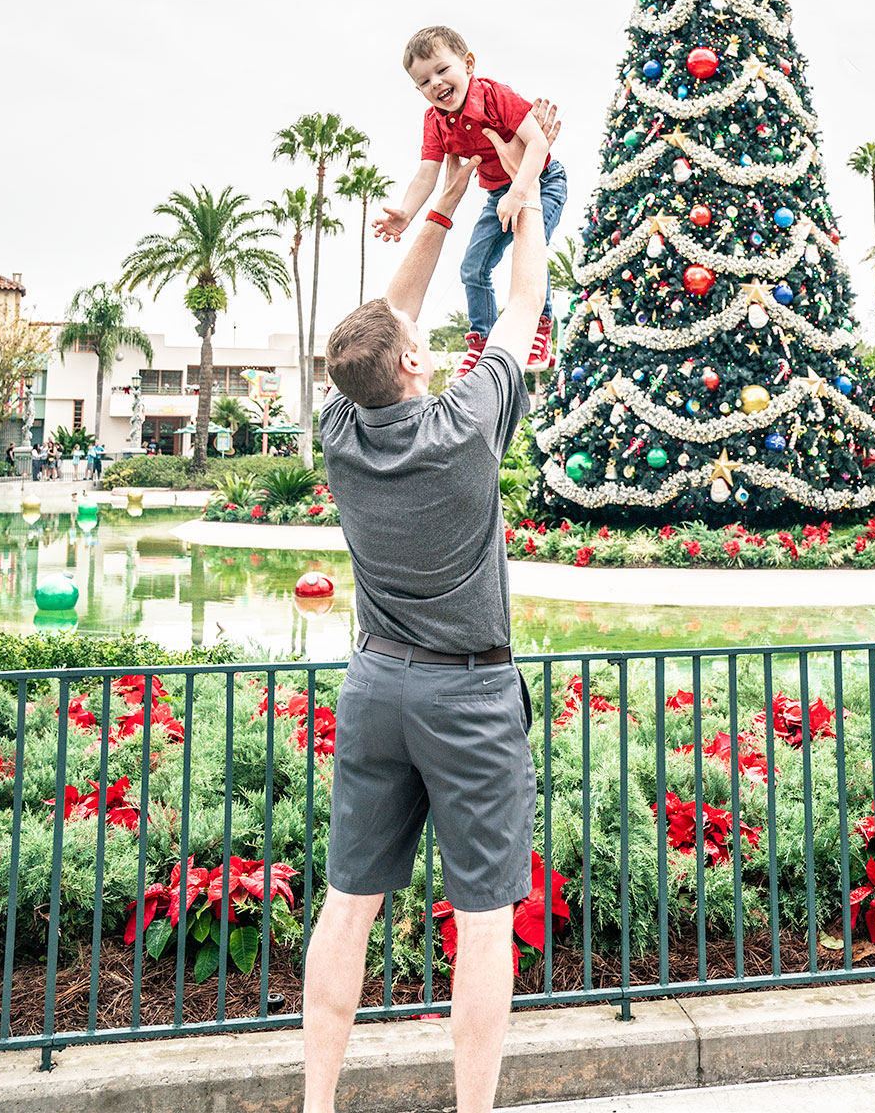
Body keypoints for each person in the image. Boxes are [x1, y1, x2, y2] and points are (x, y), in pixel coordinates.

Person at [302, 115, 556, 1113]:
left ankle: (318, 1105)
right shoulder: (463, 427)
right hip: (469, 699)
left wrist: (444, 197)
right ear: (411, 368)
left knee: (346, 907)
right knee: (484, 921)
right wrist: (525, 200)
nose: (426, 337)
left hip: (376, 689)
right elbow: (525, 298)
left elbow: (378, 323)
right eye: (417, 344)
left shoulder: (341, 432)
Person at [373, 25, 567, 378]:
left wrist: (520, 194)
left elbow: (538, 144)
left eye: (442, 70)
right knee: (471, 268)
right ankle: (481, 340)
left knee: (530, 252)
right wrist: (406, 213)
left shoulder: (496, 97)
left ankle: (540, 328)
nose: (435, 83)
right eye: (424, 81)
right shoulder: (434, 123)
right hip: (498, 195)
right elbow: (427, 174)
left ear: (468, 64)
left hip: (542, 181)